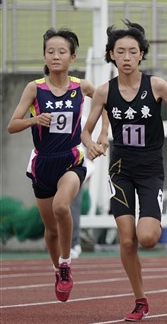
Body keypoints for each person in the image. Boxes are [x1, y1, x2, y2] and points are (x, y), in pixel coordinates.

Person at [82, 20, 167, 321]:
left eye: (133, 51)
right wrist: (91, 144)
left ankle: (153, 218)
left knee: (147, 238)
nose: (127, 57)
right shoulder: (105, 92)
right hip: (120, 168)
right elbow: (86, 130)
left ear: (142, 54)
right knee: (127, 238)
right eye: (121, 51)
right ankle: (139, 298)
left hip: (150, 168)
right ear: (112, 55)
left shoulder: (155, 86)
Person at [7, 28, 105, 301]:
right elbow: (12, 125)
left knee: (62, 206)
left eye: (62, 51)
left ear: (72, 56)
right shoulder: (34, 89)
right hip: (42, 163)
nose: (55, 56)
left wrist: (101, 134)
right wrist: (33, 120)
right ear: (44, 56)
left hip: (71, 159)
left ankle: (66, 265)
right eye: (50, 51)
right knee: (50, 230)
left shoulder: (81, 87)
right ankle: (56, 267)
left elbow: (107, 102)